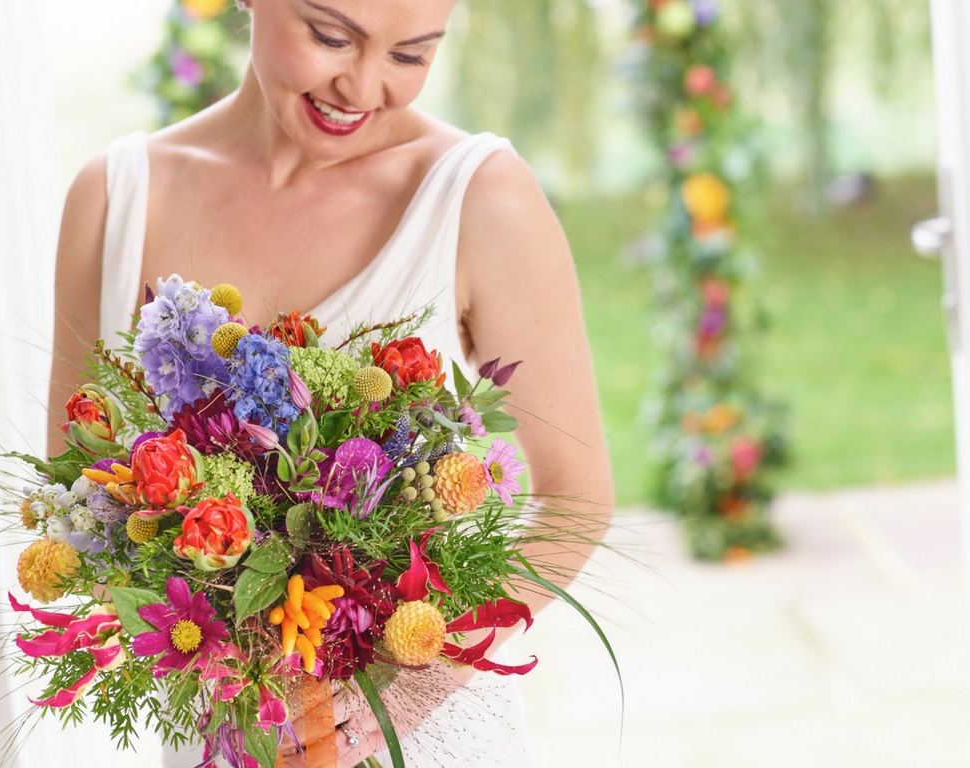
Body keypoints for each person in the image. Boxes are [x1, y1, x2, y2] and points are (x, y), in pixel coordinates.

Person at [49, 0, 614, 765]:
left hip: (422, 734)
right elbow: (74, 499)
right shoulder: (115, 200)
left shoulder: (483, 198)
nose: (363, 86)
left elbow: (578, 495)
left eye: (410, 55)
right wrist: (231, 657)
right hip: (227, 737)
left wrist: (415, 677)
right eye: (330, 36)